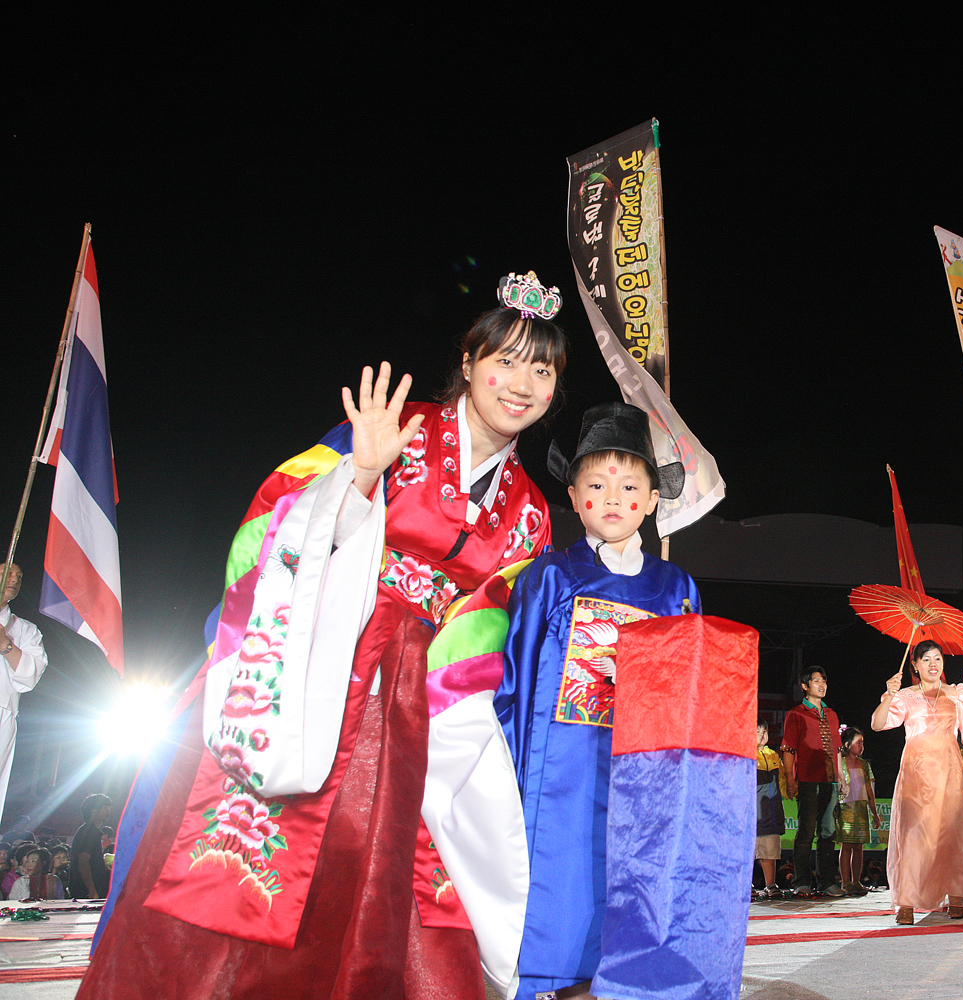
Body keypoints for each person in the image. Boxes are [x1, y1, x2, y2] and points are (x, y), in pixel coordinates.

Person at [80, 278, 567, 1000]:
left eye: (543, 369)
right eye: (507, 360)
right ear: (468, 361)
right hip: (321, 661)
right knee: (246, 867)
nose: (522, 384)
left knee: (387, 873)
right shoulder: (394, 428)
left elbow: (482, 634)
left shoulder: (529, 510)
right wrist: (361, 472)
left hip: (418, 705)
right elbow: (276, 516)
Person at [494, 400, 700, 1000]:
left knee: (636, 873)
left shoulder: (675, 588)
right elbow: (516, 678)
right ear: (574, 493)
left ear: (653, 499)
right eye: (597, 483)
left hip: (646, 765)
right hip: (565, 763)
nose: (613, 497)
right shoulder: (549, 576)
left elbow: (691, 686)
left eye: (630, 484)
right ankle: (547, 979)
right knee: (563, 870)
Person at [871, 639, 963, 925]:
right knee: (914, 833)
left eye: (937, 658)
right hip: (916, 770)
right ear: (915, 664)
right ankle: (907, 900)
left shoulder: (959, 693)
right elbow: (878, 724)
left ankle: (955, 895)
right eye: (926, 660)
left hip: (949, 768)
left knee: (951, 831)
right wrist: (888, 695)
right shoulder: (905, 696)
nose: (933, 664)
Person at [781, 666, 842, 897]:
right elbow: (788, 748)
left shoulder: (832, 715)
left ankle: (827, 881)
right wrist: (790, 778)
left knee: (828, 832)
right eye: (817, 681)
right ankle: (801, 881)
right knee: (806, 831)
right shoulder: (796, 714)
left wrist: (841, 778)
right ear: (805, 686)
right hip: (807, 779)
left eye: (824, 680)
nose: (822, 684)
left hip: (830, 781)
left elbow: (837, 749)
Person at [0, 563, 48, 816]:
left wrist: (6, 645)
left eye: (19, 575)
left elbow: (30, 676)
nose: (14, 579)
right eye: (7, 572)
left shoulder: (26, 630)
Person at [834, 725, 879, 897]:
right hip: (845, 808)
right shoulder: (840, 763)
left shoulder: (864, 765)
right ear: (846, 745)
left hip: (861, 809)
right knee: (847, 846)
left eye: (862, 743)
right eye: (858, 742)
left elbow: (869, 791)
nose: (861, 746)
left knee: (859, 846)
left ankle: (856, 881)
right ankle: (845, 882)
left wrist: (874, 813)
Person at [753, 721, 787, 900]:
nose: (762, 735)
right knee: (748, 851)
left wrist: (790, 790)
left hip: (771, 810)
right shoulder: (744, 755)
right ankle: (747, 885)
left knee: (770, 850)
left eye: (764, 731)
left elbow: (782, 780)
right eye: (757, 731)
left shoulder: (773, 755)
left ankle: (770, 884)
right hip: (751, 812)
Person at [67, 793, 112, 898]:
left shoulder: (92, 831)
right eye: (105, 808)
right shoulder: (88, 832)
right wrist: (92, 890)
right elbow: (83, 862)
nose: (108, 812)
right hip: (85, 892)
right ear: (93, 811)